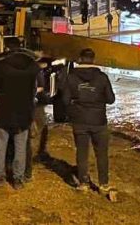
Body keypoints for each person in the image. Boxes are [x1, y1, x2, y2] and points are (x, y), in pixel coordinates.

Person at [63, 48, 117, 200]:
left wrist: (77, 102)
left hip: (79, 120)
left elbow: (65, 100)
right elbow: (111, 99)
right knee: (101, 153)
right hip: (99, 121)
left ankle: (83, 184)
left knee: (82, 152)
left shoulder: (71, 77)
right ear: (93, 60)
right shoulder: (102, 77)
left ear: (80, 59)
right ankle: (104, 184)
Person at [0, 37, 39, 188]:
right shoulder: (31, 67)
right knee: (20, 147)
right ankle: (18, 179)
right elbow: (34, 90)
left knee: (0, 145)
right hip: (23, 113)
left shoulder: (2, 66)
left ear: (7, 48)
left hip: (4, 111)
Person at [23, 51, 54, 180]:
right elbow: (41, 88)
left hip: (21, 107)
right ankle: (28, 168)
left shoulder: (17, 71)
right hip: (34, 106)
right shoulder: (37, 71)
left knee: (24, 140)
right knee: (31, 137)